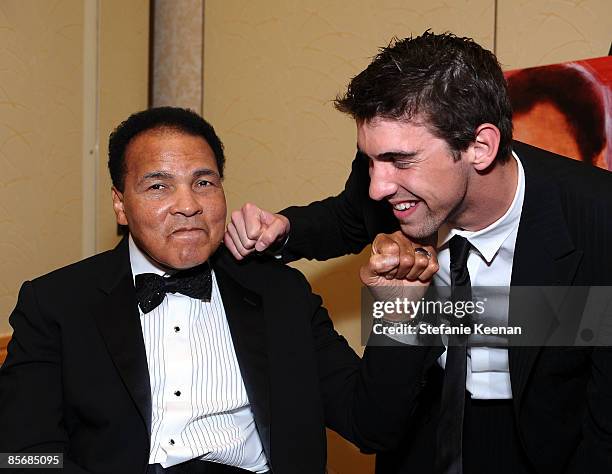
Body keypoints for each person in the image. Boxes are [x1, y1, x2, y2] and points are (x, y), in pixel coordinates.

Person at [225, 32, 612, 474]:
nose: (378, 186)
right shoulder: (389, 185)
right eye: (369, 161)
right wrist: (285, 232)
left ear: (479, 147)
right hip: (423, 424)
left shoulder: (597, 221)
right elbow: (349, 217)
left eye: (400, 160)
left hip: (545, 438)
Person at [0, 107, 430, 474]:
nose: (188, 204)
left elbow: (373, 426)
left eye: (204, 182)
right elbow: (23, 457)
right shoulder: (56, 302)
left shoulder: (280, 294)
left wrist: (398, 312)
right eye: (158, 186)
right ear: (120, 203)